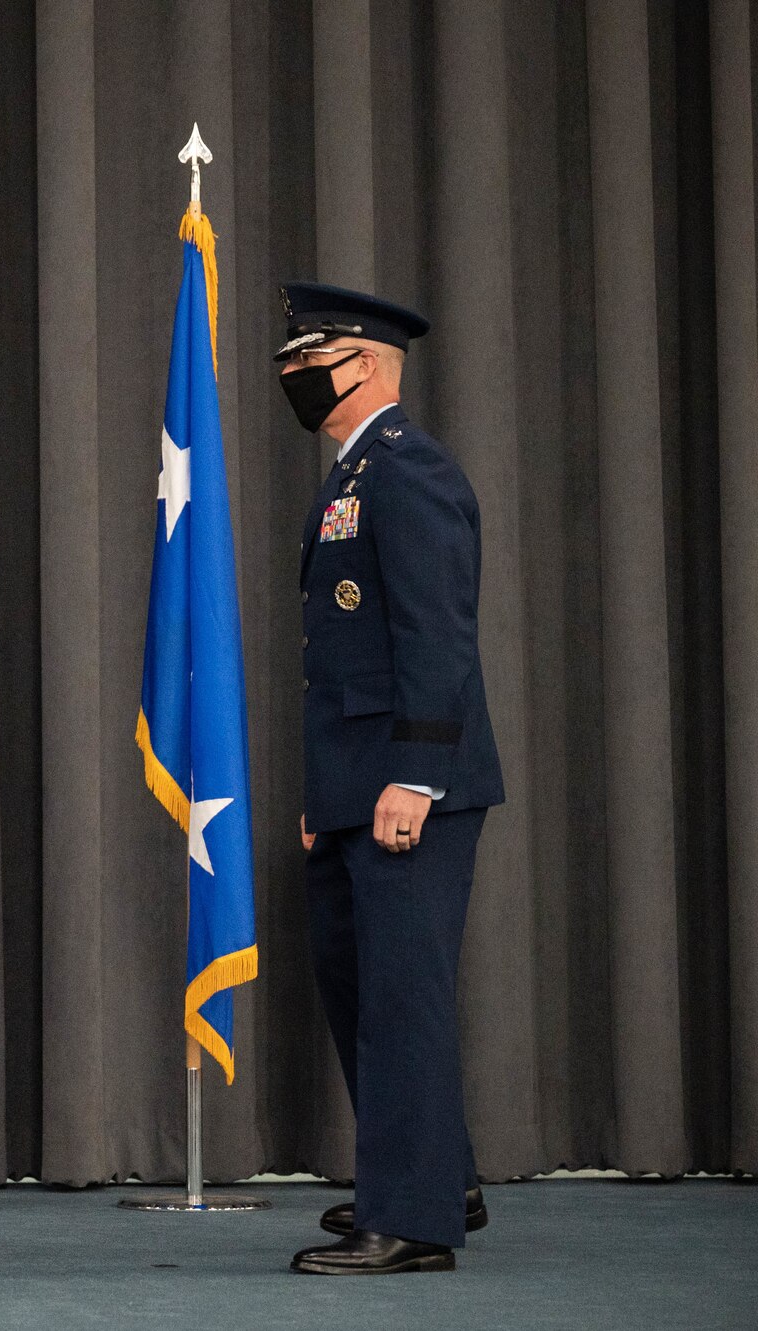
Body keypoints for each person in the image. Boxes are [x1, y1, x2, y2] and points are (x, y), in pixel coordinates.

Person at [275, 281, 505, 1276]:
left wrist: (413, 775)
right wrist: (327, 792)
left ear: (363, 361)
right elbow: (338, 655)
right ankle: (428, 1172)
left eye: (304, 358)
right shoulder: (351, 476)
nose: (288, 374)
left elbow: (434, 636)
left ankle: (409, 1218)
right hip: (350, 783)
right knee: (356, 983)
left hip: (409, 782)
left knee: (398, 995)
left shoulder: (406, 472)